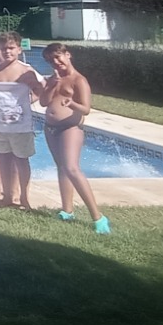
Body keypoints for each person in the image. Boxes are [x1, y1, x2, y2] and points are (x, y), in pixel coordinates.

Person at [40, 43, 108, 233]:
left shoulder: (79, 80)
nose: (56, 62)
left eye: (58, 57)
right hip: (50, 128)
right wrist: (51, 86)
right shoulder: (53, 79)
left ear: (67, 55)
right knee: (61, 167)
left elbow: (86, 109)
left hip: (70, 128)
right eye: (51, 60)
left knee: (71, 168)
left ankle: (98, 217)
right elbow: (44, 102)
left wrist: (72, 104)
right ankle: (67, 210)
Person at [0, 32, 44, 210]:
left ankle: (24, 197)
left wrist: (26, 103)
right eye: (4, 48)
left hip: (20, 126)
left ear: (19, 49)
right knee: (3, 158)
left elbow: (41, 90)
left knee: (21, 160)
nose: (7, 51)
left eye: (11, 48)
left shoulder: (26, 71)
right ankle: (7, 196)